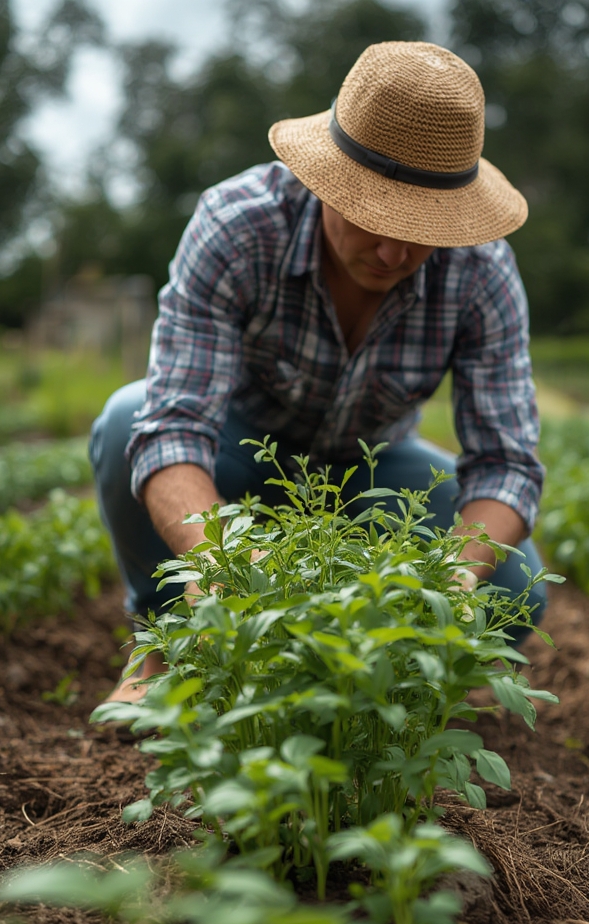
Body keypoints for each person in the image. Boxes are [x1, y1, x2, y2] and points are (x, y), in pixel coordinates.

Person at [90, 40, 547, 703]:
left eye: (423, 229)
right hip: (240, 458)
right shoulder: (241, 226)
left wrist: (453, 578)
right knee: (126, 419)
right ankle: (167, 640)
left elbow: (507, 462)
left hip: (375, 473)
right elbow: (174, 427)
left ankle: (377, 691)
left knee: (513, 589)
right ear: (327, 179)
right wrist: (218, 557)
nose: (394, 252)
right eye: (372, 216)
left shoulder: (481, 271)